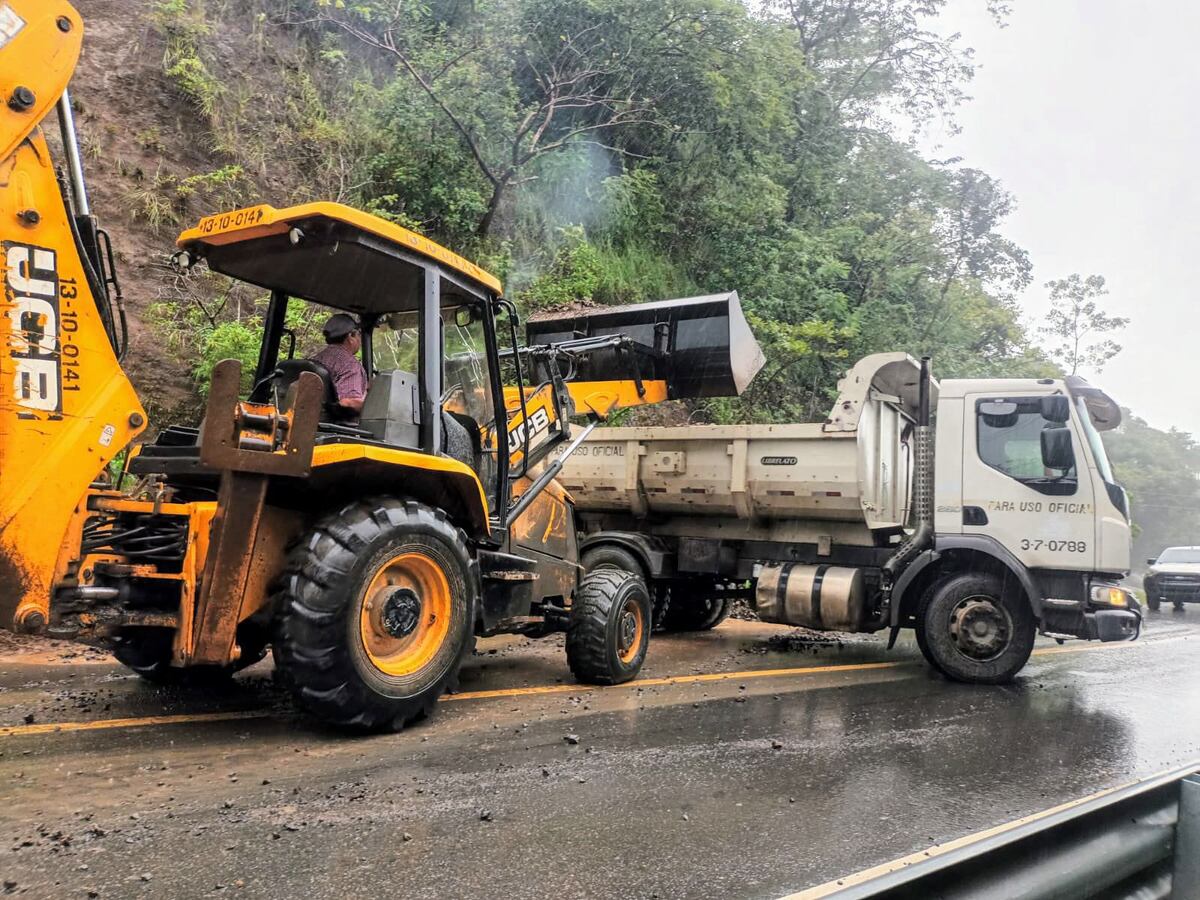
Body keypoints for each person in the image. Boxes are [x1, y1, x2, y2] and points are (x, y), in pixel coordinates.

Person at [310, 313, 368, 416]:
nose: (360, 339)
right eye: (359, 334)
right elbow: (348, 403)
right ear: (351, 335)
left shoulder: (317, 358)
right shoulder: (349, 365)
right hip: (334, 426)